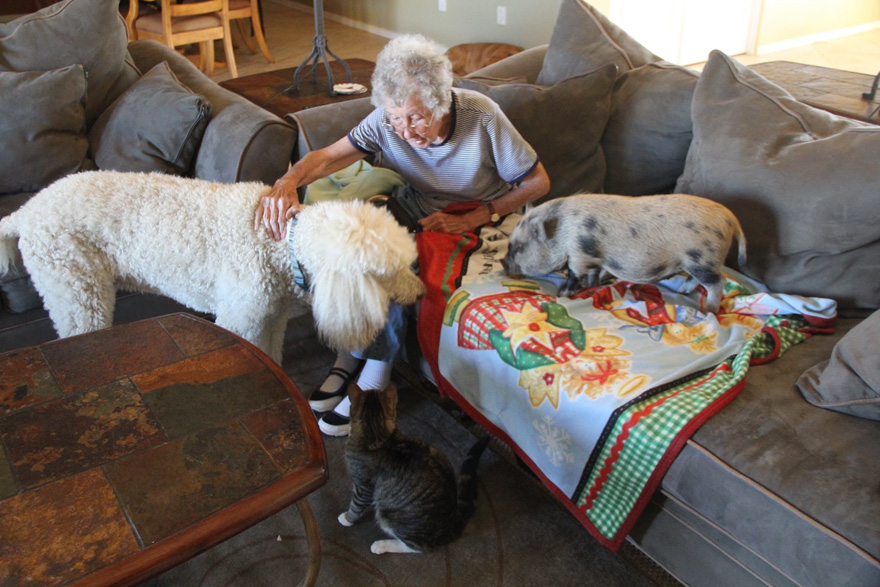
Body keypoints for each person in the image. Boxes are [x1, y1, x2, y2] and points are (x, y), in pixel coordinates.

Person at [254, 34, 550, 436]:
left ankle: (374, 379)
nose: (405, 131)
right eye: (395, 118)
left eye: (415, 117)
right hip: (420, 207)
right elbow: (326, 157)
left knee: (399, 265)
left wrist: (476, 216)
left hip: (484, 218)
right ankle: (349, 353)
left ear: (441, 101)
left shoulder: (482, 115)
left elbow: (537, 182)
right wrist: (287, 182)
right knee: (363, 245)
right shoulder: (387, 123)